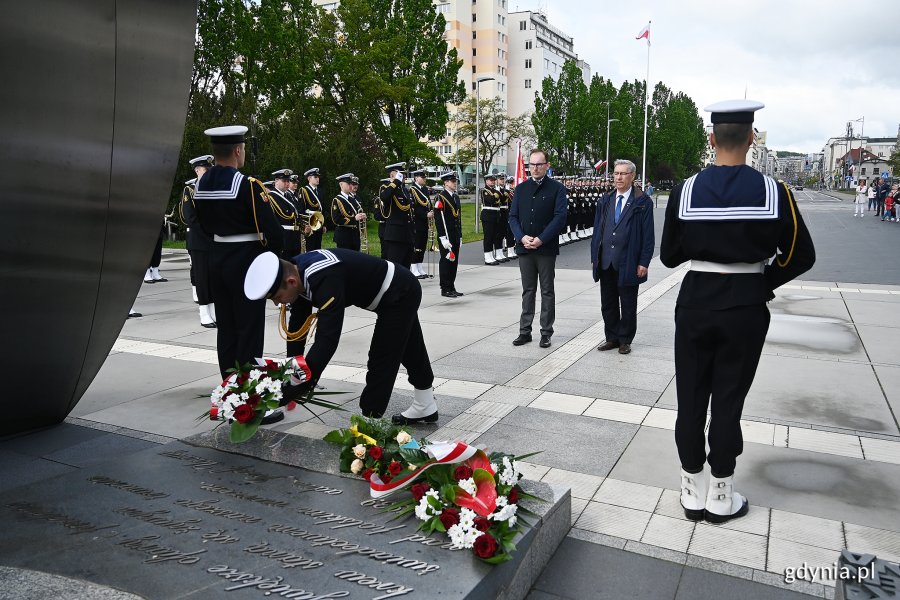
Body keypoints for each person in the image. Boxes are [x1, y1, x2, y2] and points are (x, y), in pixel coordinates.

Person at [660, 99, 815, 524]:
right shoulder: (775, 191)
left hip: (695, 302)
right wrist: (761, 281)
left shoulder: (685, 190)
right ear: (751, 138)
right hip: (746, 304)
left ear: (711, 139)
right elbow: (801, 255)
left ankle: (691, 489)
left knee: (690, 397)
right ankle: (722, 493)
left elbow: (670, 256)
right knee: (728, 401)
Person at [244, 249, 439, 425]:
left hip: (399, 292)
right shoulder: (297, 273)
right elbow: (297, 329)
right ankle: (426, 405)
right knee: (411, 348)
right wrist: (291, 374)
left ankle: (370, 419)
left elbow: (327, 340)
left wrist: (302, 385)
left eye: (276, 297)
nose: (278, 303)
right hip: (394, 289)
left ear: (291, 282)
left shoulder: (324, 277)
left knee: (383, 354)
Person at [193, 125, 285, 423]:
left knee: (228, 331)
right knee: (249, 330)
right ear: (237, 150)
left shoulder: (201, 183)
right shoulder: (248, 184)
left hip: (217, 260)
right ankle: (252, 400)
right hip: (246, 263)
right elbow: (272, 231)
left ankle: (231, 397)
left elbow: (203, 227)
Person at [591, 159, 655, 356]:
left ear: (632, 176)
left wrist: (644, 262)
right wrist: (595, 257)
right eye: (616, 173)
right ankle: (612, 337)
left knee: (628, 304)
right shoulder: (606, 199)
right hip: (606, 261)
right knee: (608, 303)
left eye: (623, 174)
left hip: (628, 261)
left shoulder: (642, 202)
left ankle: (625, 340)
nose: (618, 177)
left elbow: (648, 236)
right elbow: (597, 232)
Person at [509, 149, 567, 348]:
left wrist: (541, 239)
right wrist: (521, 236)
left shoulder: (557, 189)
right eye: (531, 165)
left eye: (539, 164)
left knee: (547, 291)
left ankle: (546, 332)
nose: (535, 168)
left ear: (547, 165)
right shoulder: (521, 188)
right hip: (525, 247)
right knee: (528, 290)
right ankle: (525, 331)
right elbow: (513, 217)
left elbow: (560, 218)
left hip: (545, 248)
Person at [180, 155, 216, 328]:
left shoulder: (214, 187)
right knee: (202, 277)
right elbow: (191, 218)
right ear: (196, 170)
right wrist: (209, 235)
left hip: (214, 240)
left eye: (210, 168)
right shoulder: (190, 190)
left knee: (212, 277)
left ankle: (213, 309)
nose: (208, 171)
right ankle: (204, 313)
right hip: (200, 241)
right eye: (204, 169)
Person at [378, 162, 416, 268]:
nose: (403, 176)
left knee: (406, 268)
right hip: (395, 235)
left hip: (407, 234)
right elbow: (384, 197)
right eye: (400, 174)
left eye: (403, 174)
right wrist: (395, 182)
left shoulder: (405, 190)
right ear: (392, 175)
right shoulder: (386, 187)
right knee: (395, 268)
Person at [434, 172, 463, 298]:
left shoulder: (455, 197)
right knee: (446, 261)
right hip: (446, 235)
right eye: (452, 181)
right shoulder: (440, 197)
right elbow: (439, 219)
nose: (454, 183)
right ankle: (445, 288)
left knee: (454, 262)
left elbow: (458, 217)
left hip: (455, 234)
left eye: (455, 180)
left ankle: (451, 286)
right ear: (445, 183)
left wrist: (460, 235)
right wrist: (442, 237)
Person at [331, 173, 366, 251]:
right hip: (344, 236)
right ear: (341, 184)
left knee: (355, 259)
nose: (351, 186)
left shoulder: (353, 199)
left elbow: (357, 213)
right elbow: (336, 219)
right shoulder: (337, 199)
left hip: (354, 235)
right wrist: (354, 219)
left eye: (351, 183)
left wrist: (362, 216)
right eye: (348, 183)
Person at [409, 170, 434, 279]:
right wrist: (425, 214)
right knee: (417, 245)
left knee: (423, 244)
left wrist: (431, 212)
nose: (424, 179)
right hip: (417, 222)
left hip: (425, 222)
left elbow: (428, 203)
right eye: (422, 177)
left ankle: (419, 266)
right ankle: (413, 267)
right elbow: (413, 208)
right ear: (416, 178)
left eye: (425, 177)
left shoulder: (424, 190)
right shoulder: (412, 190)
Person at [299, 168, 327, 251]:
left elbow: (323, 209)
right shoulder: (304, 190)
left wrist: (324, 224)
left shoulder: (320, 191)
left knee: (318, 247)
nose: (318, 179)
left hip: (319, 222)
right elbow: (301, 209)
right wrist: (304, 225)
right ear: (309, 178)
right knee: (310, 248)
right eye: (315, 177)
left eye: (318, 177)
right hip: (309, 224)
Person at [480, 173, 504, 265]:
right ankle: (488, 256)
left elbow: (501, 199)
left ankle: (495, 255)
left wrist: (497, 194)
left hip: (496, 214)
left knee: (496, 235)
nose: (493, 182)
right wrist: (496, 194)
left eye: (494, 180)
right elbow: (491, 200)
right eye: (491, 180)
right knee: (489, 236)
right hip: (488, 215)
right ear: (486, 181)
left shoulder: (495, 190)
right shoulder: (484, 190)